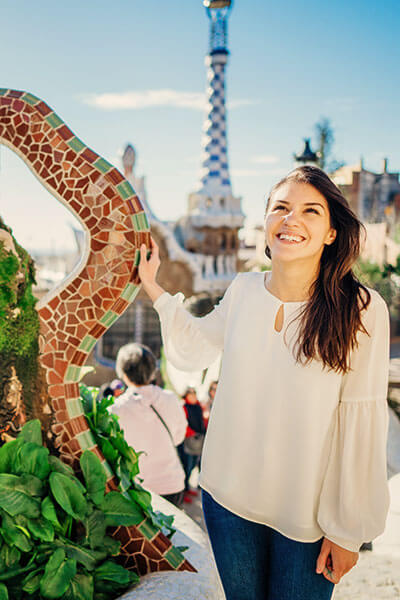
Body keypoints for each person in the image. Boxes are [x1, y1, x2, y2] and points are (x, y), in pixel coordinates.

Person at [138, 166, 390, 600]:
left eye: (311, 211)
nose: (291, 220)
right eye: (281, 208)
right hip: (227, 499)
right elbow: (194, 347)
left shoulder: (362, 309)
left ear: (332, 232)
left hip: (307, 517)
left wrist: (348, 530)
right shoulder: (243, 290)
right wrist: (154, 288)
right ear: (267, 220)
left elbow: (362, 421)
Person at [110, 343, 187, 507]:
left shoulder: (116, 408)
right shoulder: (171, 399)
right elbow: (179, 437)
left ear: (123, 373)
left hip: (138, 486)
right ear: (153, 371)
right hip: (172, 483)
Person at [177, 387, 206, 503]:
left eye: (194, 393)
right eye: (191, 394)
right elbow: (182, 424)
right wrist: (193, 433)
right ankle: (183, 492)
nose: (193, 396)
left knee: (193, 465)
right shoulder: (184, 407)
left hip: (197, 441)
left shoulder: (197, 406)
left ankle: (188, 488)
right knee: (186, 467)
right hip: (188, 442)